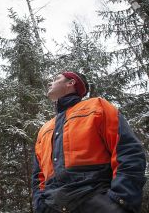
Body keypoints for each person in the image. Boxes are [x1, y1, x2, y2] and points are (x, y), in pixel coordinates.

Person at [32, 71, 146, 213]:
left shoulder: (97, 107)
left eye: (56, 79)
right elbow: (38, 177)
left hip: (96, 201)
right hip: (51, 205)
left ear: (71, 82)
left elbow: (129, 152)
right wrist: (40, 205)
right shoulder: (45, 128)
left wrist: (120, 202)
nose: (50, 83)